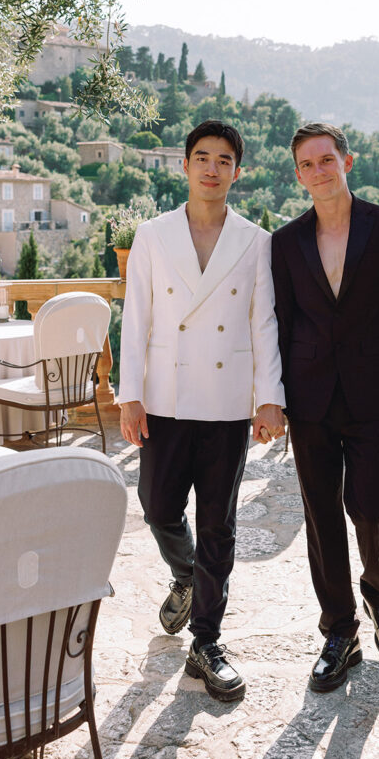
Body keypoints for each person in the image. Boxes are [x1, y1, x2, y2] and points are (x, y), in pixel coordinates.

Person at [119, 119, 285, 702]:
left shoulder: (256, 241)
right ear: (185, 166)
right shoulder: (152, 234)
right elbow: (136, 317)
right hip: (163, 396)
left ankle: (207, 642)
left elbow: (263, 322)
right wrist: (129, 393)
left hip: (225, 401)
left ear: (236, 172)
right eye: (202, 157)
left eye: (224, 160)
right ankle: (186, 574)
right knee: (157, 505)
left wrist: (270, 398)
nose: (212, 168)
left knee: (218, 523)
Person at [271, 122, 379, 692]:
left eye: (326, 160)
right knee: (321, 516)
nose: (318, 171)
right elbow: (280, 325)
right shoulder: (284, 242)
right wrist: (275, 398)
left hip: (372, 395)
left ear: (347, 162)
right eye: (307, 164)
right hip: (309, 399)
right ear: (298, 175)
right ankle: (339, 632)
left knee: (371, 506)